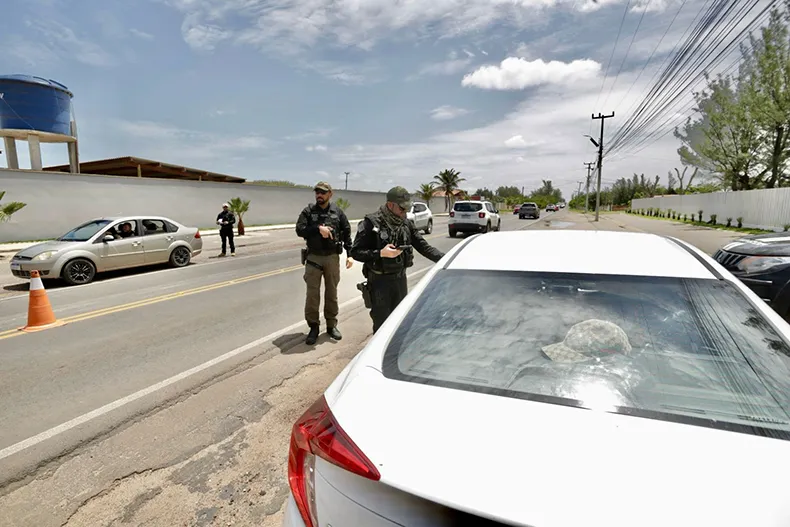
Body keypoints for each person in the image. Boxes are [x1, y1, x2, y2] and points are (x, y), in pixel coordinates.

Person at [351, 186, 445, 333]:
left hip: (400, 280)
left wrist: (446, 260)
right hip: (379, 283)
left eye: (407, 208)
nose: (405, 212)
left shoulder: (405, 223)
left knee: (400, 325)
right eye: (402, 208)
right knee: (382, 327)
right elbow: (355, 252)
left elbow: (423, 247)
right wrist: (380, 253)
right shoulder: (371, 223)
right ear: (390, 205)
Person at [295, 181, 354, 345]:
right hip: (314, 257)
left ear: (330, 194)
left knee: (332, 293)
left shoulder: (337, 212)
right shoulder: (308, 211)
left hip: (332, 257)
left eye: (322, 192)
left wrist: (350, 254)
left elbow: (347, 232)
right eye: (317, 192)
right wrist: (317, 229)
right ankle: (313, 327)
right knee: (312, 295)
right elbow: (299, 229)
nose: (319, 195)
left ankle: (331, 325)